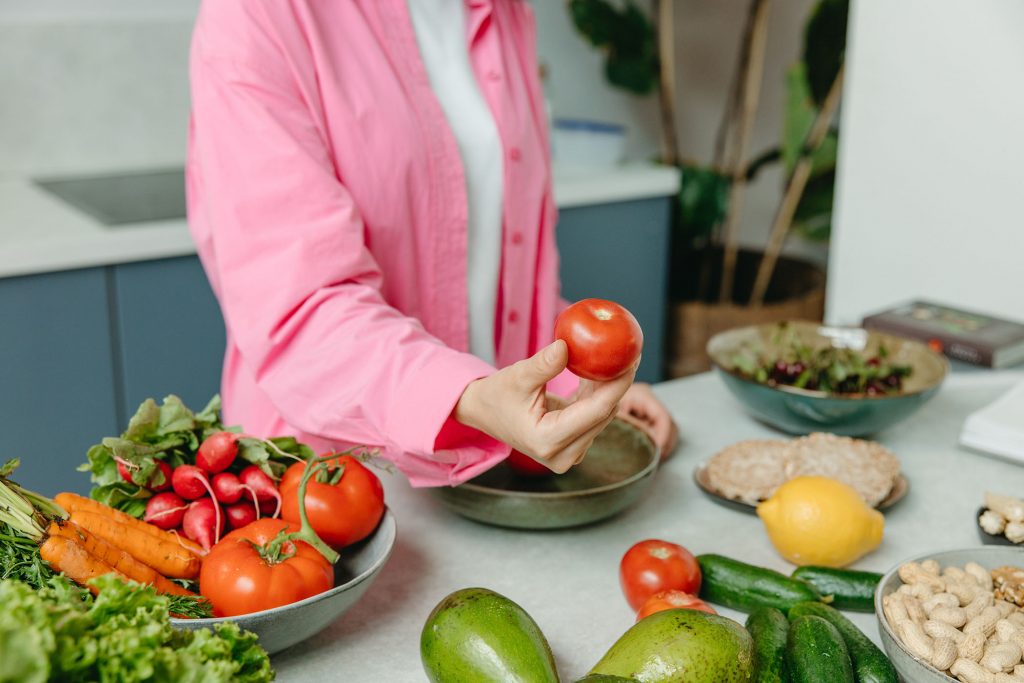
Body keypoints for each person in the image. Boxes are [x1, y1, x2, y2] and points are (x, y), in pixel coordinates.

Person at [186, 0, 678, 487]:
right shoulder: (259, 13)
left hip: (487, 471)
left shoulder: (505, 12)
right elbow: (302, 308)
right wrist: (470, 397)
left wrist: (575, 385)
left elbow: (498, 269)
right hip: (327, 489)